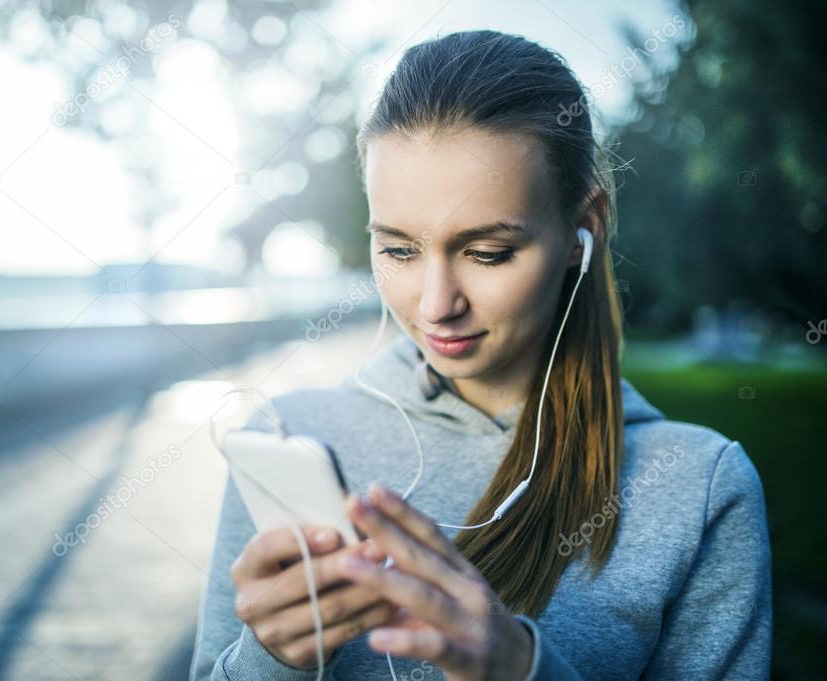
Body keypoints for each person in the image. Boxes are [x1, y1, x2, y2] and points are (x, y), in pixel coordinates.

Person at [189, 29, 772, 681]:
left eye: (487, 252)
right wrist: (269, 661)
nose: (436, 304)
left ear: (584, 229)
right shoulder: (289, 440)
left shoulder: (698, 487)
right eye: (399, 249)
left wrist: (519, 668)